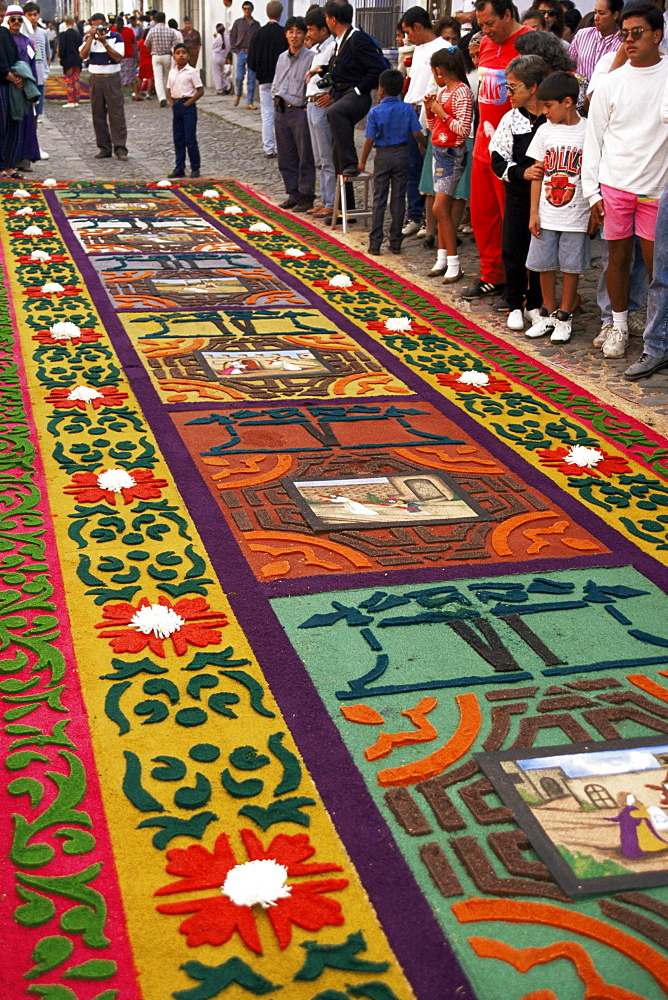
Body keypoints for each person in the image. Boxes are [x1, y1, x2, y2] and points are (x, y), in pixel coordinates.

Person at [583, 0, 668, 359]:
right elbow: (594, 139)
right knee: (615, 261)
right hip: (614, 186)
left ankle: (655, 333)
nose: (629, 40)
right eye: (625, 34)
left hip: (656, 191)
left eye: (638, 33)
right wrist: (591, 193)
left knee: (656, 269)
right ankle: (617, 324)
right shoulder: (610, 83)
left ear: (658, 35)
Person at [462, 0, 529, 299]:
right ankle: (492, 274)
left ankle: (524, 283)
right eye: (481, 25)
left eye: (490, 23)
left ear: (507, 15)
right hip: (483, 145)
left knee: (513, 221)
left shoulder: (527, 43)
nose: (485, 31)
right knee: (482, 216)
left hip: (513, 149)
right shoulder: (487, 45)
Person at [524, 71, 592, 343]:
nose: (544, 111)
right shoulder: (544, 131)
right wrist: (533, 212)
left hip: (576, 213)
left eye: (548, 106)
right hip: (547, 212)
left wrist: (594, 211)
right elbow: (537, 174)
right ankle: (547, 312)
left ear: (567, 102)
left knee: (571, 265)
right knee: (543, 263)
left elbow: (593, 173)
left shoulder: (588, 130)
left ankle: (565, 315)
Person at [489, 54, 548, 330]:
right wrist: (520, 173)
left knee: (541, 250)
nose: (508, 93)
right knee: (514, 247)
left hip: (548, 198)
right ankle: (514, 303)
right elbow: (497, 158)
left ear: (533, 87)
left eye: (513, 87)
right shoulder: (511, 119)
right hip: (518, 194)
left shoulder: (551, 119)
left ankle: (535, 304)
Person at [321, 0, 387, 194]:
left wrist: (359, 89)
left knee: (335, 112)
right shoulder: (340, 41)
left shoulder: (358, 39)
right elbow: (346, 68)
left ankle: (352, 163)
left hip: (357, 97)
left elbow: (377, 68)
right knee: (337, 154)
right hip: (343, 95)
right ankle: (345, 209)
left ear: (332, 19)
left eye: (326, 17)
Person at [359, 68, 425, 255]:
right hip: (402, 154)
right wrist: (424, 145)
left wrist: (362, 161)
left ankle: (375, 243)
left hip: (383, 155)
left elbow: (370, 139)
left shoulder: (375, 112)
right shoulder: (407, 109)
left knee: (379, 199)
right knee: (398, 198)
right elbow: (417, 133)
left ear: (380, 89)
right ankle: (396, 241)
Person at [424, 47, 473, 281]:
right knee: (441, 207)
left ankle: (454, 260)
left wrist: (441, 113)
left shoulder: (462, 92)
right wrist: (430, 110)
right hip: (439, 150)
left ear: (439, 71)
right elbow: (434, 127)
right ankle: (443, 258)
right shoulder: (444, 92)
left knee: (439, 208)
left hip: (453, 152)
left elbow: (463, 129)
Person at [400, 7, 449, 237]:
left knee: (431, 171)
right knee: (412, 167)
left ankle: (430, 220)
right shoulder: (418, 49)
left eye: (408, 31)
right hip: (412, 109)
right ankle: (414, 214)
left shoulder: (441, 49)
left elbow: (434, 87)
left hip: (429, 114)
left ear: (418, 27)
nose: (407, 37)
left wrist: (424, 124)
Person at [271, 16, 315, 212]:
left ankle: (306, 195)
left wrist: (306, 105)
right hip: (281, 110)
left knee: (304, 154)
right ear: (286, 34)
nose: (294, 36)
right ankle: (293, 193)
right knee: (286, 155)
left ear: (305, 35)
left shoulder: (310, 57)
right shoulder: (281, 57)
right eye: (291, 32)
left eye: (298, 32)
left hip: (299, 110)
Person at [79, 13, 128, 159]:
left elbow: (118, 57)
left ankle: (120, 148)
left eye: (100, 26)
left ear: (106, 25)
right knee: (98, 114)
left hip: (112, 78)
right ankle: (104, 147)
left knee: (116, 114)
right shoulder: (89, 39)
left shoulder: (116, 37)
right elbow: (82, 55)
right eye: (95, 26)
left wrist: (105, 42)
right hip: (95, 79)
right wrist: (90, 39)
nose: (98, 29)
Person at [304, 7, 336, 216]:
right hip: (311, 102)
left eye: (311, 29)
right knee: (318, 157)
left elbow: (332, 76)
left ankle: (330, 202)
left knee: (326, 157)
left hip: (322, 103)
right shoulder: (318, 50)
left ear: (323, 30)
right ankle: (324, 198)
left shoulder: (332, 48)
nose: (308, 34)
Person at [247, 0, 287, 157]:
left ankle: (268, 147)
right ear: (280, 14)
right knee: (280, 114)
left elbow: (251, 59)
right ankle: (280, 147)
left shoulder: (258, 33)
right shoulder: (284, 34)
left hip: (264, 79)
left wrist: (258, 71)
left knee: (267, 114)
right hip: (281, 79)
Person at [7, 6, 41, 172]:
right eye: (12, 19)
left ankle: (24, 157)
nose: (16, 23)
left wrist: (32, 86)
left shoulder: (29, 42)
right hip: (8, 84)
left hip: (25, 86)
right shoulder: (4, 39)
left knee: (27, 122)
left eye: (19, 19)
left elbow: (33, 65)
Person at [167, 42, 203, 178]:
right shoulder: (172, 72)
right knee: (178, 138)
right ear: (174, 56)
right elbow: (169, 89)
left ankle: (195, 167)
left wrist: (188, 104)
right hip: (177, 106)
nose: (181, 55)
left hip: (188, 106)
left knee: (190, 138)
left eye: (183, 53)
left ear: (188, 56)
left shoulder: (192, 72)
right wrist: (172, 102)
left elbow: (200, 90)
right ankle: (179, 167)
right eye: (178, 53)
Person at [569, 0, 623, 84]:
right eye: (595, 12)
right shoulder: (582, 35)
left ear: (615, 15)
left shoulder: (622, 41)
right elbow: (569, 65)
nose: (596, 17)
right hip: (580, 93)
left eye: (601, 13)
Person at [0, 12, 22, 177]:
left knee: (12, 124)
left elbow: (15, 56)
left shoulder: (5, 33)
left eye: (1, 15)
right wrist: (9, 75)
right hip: (4, 81)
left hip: (9, 85)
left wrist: (18, 74)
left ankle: (9, 164)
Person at [145, 11, 181, 107]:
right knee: (167, 77)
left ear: (155, 20)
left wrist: (152, 50)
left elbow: (146, 44)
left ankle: (162, 98)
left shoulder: (152, 31)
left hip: (156, 55)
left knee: (158, 78)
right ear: (164, 19)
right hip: (167, 55)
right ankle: (168, 95)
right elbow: (176, 45)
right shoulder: (170, 31)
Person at [230, 1, 259, 109]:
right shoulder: (238, 22)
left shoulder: (256, 24)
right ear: (242, 9)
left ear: (252, 10)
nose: (247, 10)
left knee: (252, 78)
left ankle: (249, 101)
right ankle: (238, 94)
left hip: (252, 53)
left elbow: (258, 39)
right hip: (241, 52)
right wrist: (236, 50)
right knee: (239, 77)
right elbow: (232, 36)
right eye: (245, 8)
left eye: (249, 8)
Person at [23, 3, 49, 119]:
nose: (33, 18)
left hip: (40, 77)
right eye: (30, 15)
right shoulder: (22, 34)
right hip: (26, 78)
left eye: (35, 15)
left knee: (37, 113)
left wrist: (45, 72)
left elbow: (46, 55)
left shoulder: (43, 33)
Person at [58, 15, 82, 107]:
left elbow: (62, 48)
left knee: (69, 80)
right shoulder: (77, 34)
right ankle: (77, 99)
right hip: (76, 59)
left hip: (67, 60)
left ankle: (71, 100)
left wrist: (61, 57)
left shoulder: (64, 35)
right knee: (76, 79)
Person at [116, 15, 137, 89]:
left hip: (117, 56)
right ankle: (136, 94)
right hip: (129, 55)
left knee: (119, 78)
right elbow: (133, 43)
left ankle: (121, 95)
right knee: (131, 76)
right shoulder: (129, 30)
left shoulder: (113, 30)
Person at [135, 29, 154, 100]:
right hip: (149, 60)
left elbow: (137, 49)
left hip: (142, 61)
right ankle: (148, 93)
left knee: (141, 77)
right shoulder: (151, 43)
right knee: (149, 78)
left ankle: (138, 92)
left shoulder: (140, 42)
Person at [212, 22, 227, 94]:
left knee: (217, 73)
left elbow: (213, 47)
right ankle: (227, 84)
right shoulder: (228, 37)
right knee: (223, 73)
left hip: (216, 56)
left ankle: (219, 88)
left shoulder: (217, 38)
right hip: (224, 57)